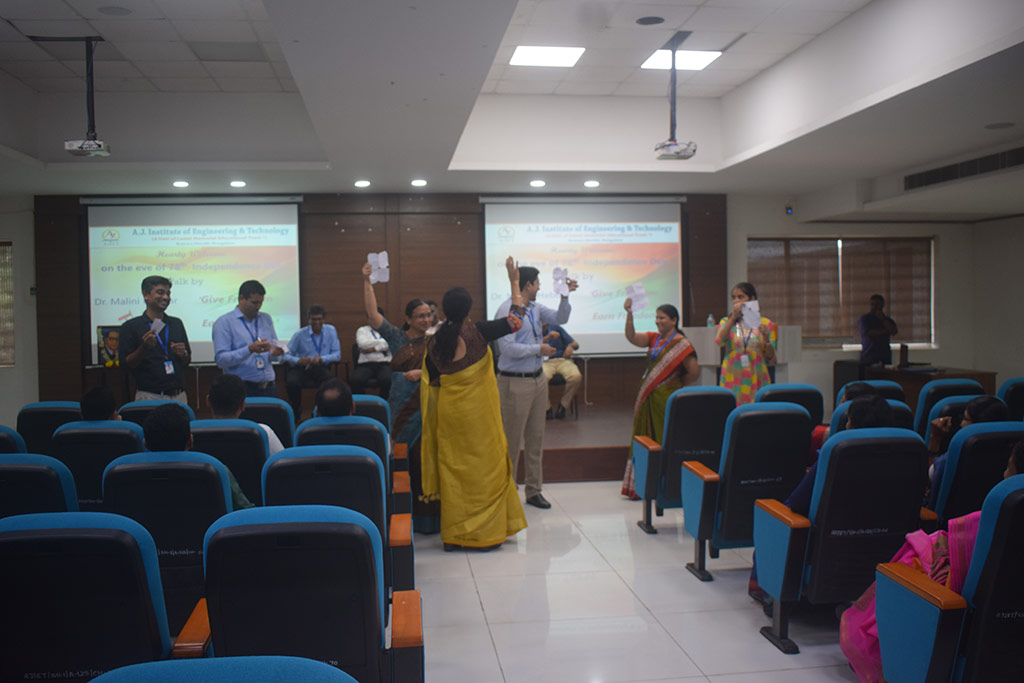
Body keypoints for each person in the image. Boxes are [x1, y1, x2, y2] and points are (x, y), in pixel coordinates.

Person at [840, 439, 1024, 683]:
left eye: (1009, 468)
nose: (1004, 474)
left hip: (970, 638)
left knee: (912, 560)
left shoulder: (993, 521)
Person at [420, 258, 528, 550]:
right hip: (480, 417)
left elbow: (432, 380)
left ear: (443, 310)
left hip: (450, 417)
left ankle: (455, 535)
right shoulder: (479, 332)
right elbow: (516, 320)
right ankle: (484, 533)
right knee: (485, 469)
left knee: (454, 472)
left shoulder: (433, 342)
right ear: (468, 309)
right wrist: (514, 283)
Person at [361, 262, 437, 532]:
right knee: (403, 463)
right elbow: (373, 316)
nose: (425, 320)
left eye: (428, 315)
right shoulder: (397, 338)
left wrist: (423, 373)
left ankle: (429, 522)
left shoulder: (436, 342)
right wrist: (367, 282)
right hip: (402, 410)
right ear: (409, 318)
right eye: (420, 316)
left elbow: (446, 372)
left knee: (426, 464)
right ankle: (404, 522)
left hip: (430, 410)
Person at [495, 265, 577, 509]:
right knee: (510, 441)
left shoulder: (535, 308)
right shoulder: (506, 309)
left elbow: (561, 318)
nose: (540, 287)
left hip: (537, 379)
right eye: (537, 283)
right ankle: (507, 493)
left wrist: (565, 296)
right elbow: (506, 348)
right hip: (514, 381)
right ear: (528, 285)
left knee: (535, 438)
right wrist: (538, 349)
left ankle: (533, 490)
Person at [619, 301, 700, 499]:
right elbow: (631, 337)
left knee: (665, 436)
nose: (658, 321)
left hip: (666, 400)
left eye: (662, 317)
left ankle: (666, 483)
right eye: (656, 317)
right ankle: (642, 484)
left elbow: (694, 372)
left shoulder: (682, 343)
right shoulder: (654, 339)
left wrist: (674, 384)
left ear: (674, 320)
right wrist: (629, 314)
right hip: (648, 397)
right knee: (644, 437)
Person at [142, 402, 253, 510]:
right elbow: (245, 511)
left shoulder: (131, 472)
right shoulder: (218, 471)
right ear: (190, 441)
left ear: (145, 443)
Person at [926, 395, 1009, 508]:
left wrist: (935, 438)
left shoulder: (955, 458)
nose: (961, 424)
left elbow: (927, 480)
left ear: (977, 424)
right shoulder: (1012, 452)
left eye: (965, 418)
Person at [118, 276, 192, 403]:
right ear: (146, 295)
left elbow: (187, 360)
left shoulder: (176, 323)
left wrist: (183, 355)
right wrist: (144, 348)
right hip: (149, 395)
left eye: (168, 293)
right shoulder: (131, 326)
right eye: (160, 292)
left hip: (178, 395)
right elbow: (126, 364)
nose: (166, 297)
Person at [212, 280, 284, 397]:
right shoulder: (224, 322)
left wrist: (276, 353)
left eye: (261, 302)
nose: (258, 306)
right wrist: (249, 349)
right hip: (241, 388)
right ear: (241, 299)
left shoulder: (266, 318)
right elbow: (221, 360)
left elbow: (274, 357)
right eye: (254, 302)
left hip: (269, 386)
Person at [716, 281, 777, 404]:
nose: (736, 301)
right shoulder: (726, 322)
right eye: (733, 298)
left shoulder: (765, 323)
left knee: (757, 409)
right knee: (733, 408)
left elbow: (770, 357)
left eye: (740, 297)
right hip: (733, 374)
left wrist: (766, 338)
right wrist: (732, 318)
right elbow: (720, 341)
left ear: (752, 299)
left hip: (756, 372)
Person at [282, 305, 341, 419]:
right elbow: (285, 355)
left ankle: (321, 410)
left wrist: (321, 359)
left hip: (320, 366)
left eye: (319, 319)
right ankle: (296, 411)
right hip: (301, 368)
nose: (316, 322)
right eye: (313, 319)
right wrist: (298, 360)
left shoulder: (331, 331)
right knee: (292, 382)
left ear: (324, 319)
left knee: (328, 381)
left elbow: (337, 355)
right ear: (308, 319)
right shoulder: (299, 334)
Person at [206, 373, 284, 457]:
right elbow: (283, 462)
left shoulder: (195, 434)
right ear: (243, 404)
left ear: (207, 401)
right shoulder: (263, 433)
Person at [541, 323, 581, 420]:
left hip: (562, 360)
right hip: (544, 362)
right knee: (541, 379)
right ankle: (547, 408)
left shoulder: (556, 328)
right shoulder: (532, 330)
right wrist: (547, 337)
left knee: (576, 377)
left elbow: (576, 344)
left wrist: (570, 347)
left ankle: (563, 405)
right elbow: (531, 346)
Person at [350, 314, 393, 399]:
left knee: (388, 380)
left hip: (384, 364)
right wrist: (381, 344)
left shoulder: (388, 330)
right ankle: (363, 402)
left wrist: (373, 348)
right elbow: (362, 344)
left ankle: (384, 402)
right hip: (366, 364)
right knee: (355, 380)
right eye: (371, 319)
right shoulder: (362, 330)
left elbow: (389, 343)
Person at [858, 294, 898, 366]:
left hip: (884, 357)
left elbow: (894, 331)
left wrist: (883, 319)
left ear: (882, 305)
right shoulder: (865, 319)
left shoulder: (887, 320)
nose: (874, 307)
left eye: (877, 304)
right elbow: (868, 332)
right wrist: (886, 331)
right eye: (872, 304)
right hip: (869, 355)